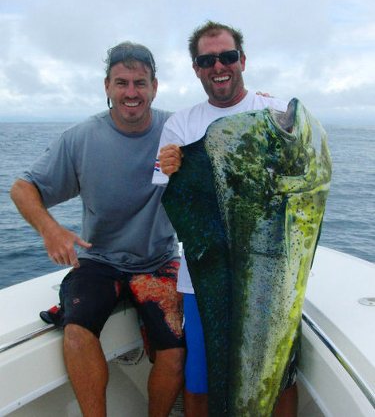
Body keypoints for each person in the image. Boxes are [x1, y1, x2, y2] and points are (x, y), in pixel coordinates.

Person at [10, 42, 186, 417]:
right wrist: (51, 230)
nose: (131, 93)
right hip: (99, 259)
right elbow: (22, 187)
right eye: (121, 83)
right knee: (75, 333)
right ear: (106, 86)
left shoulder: (180, 131)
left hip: (159, 260)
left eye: (140, 82)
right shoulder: (81, 138)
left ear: (155, 86)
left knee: (175, 351)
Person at [152, 21, 299, 417]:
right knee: (199, 378)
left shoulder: (274, 114)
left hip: (267, 275)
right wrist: (172, 169)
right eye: (207, 59)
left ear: (243, 60)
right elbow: (172, 198)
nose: (219, 66)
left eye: (227, 56)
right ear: (196, 68)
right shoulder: (179, 125)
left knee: (279, 373)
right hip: (204, 276)